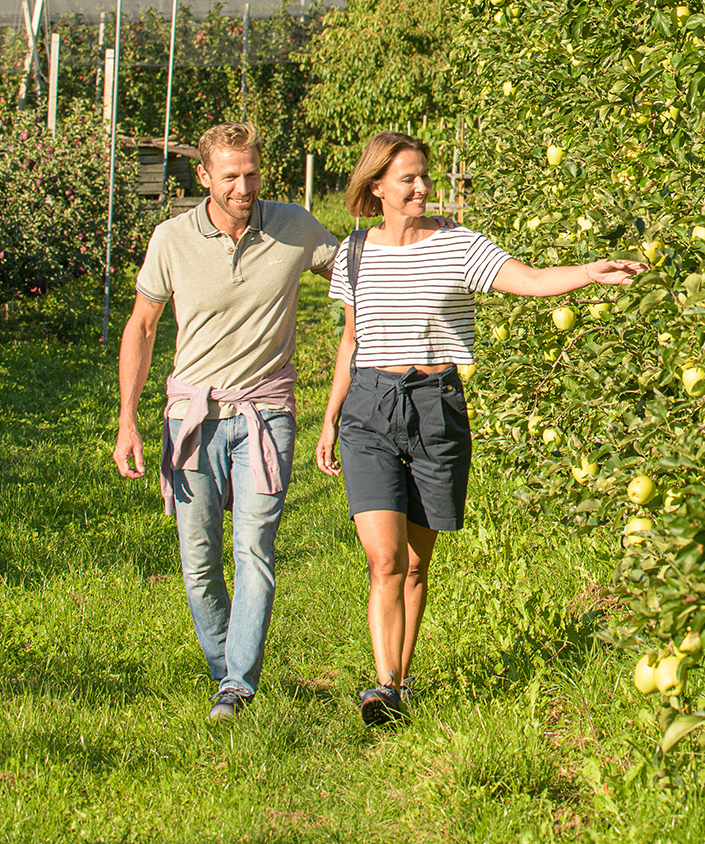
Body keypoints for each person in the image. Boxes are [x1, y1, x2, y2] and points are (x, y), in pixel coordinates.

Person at [314, 130, 641, 726]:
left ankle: (401, 681)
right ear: (377, 186)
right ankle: (383, 685)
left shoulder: (459, 245)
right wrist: (331, 417)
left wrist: (590, 273)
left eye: (423, 176)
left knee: (416, 561)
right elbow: (351, 339)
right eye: (407, 178)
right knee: (383, 558)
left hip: (437, 406)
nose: (421, 187)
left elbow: (532, 280)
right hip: (370, 407)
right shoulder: (354, 252)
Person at [114, 121, 339, 721]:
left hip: (266, 412)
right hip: (193, 417)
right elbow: (141, 326)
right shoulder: (170, 239)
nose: (244, 186)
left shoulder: (293, 226)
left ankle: (237, 686)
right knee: (198, 562)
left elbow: (354, 270)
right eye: (231, 175)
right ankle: (225, 671)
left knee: (255, 548)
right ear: (205, 177)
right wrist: (127, 421)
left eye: (252, 173)